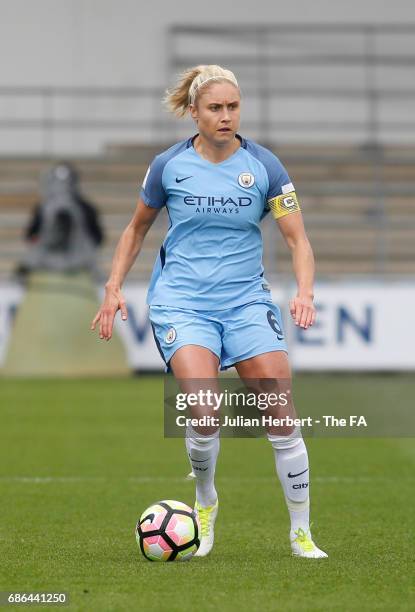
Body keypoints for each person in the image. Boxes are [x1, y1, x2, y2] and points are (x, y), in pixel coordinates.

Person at [91, 65, 327, 559]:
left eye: (233, 107)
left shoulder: (266, 167)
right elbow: (135, 230)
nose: (225, 116)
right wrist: (114, 286)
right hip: (182, 301)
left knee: (280, 414)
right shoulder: (167, 166)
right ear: (194, 112)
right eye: (215, 108)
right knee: (204, 406)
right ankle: (204, 503)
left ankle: (301, 532)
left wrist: (304, 291)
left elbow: (298, 239)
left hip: (245, 301)